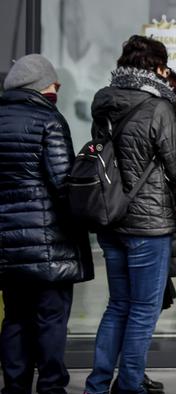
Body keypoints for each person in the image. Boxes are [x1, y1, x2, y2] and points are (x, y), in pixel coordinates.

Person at [84, 35, 176, 394]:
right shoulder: (159, 108)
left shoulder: (103, 101)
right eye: (164, 67)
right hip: (148, 224)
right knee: (143, 310)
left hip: (111, 218)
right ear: (156, 68)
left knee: (117, 305)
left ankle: (96, 385)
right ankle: (128, 386)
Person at [0, 54, 94, 394]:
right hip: (48, 243)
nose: (56, 90)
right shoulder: (47, 119)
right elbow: (61, 182)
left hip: (7, 244)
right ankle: (52, 386)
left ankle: (15, 387)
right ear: (41, 85)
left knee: (15, 319)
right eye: (55, 84)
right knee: (51, 319)